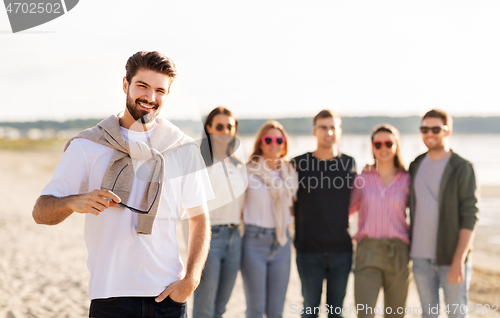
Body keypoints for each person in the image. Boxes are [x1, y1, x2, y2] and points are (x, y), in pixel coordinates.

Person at [32, 51, 214, 318]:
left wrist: (191, 279)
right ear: (126, 84)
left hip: (168, 297)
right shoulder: (88, 145)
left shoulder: (182, 148)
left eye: (159, 90)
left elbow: (199, 218)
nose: (150, 97)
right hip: (109, 296)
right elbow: (40, 212)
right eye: (142, 86)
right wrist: (73, 202)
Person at [409, 109, 479, 318]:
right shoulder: (416, 164)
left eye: (435, 129)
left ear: (447, 131)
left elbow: (470, 215)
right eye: (424, 129)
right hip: (420, 258)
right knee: (428, 315)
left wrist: (459, 259)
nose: (429, 133)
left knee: (457, 314)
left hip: (451, 258)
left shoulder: (462, 167)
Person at [292, 109, 356, 318]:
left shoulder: (349, 163)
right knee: (309, 309)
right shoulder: (298, 163)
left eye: (333, 128)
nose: (328, 132)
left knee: (337, 311)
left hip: (342, 250)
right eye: (323, 127)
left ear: (339, 131)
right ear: (314, 131)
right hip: (308, 250)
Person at [349, 124, 411, 318]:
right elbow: (345, 211)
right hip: (368, 252)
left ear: (396, 145)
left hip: (398, 252)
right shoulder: (362, 179)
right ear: (372, 147)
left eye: (388, 143)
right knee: (364, 314)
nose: (383, 148)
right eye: (378, 144)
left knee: (395, 315)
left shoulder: (408, 179)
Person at [193, 107, 247, 318]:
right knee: (205, 307)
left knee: (221, 307)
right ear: (209, 128)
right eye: (219, 126)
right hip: (209, 239)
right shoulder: (199, 162)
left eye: (230, 126)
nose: (225, 131)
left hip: (235, 239)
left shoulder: (239, 163)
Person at [241, 120, 298, 318]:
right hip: (254, 242)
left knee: (276, 311)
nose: (274, 143)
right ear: (261, 143)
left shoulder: (290, 172)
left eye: (279, 139)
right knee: (255, 309)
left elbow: (292, 209)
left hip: (282, 242)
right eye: (268, 139)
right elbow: (239, 209)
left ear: (284, 143)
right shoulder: (247, 171)